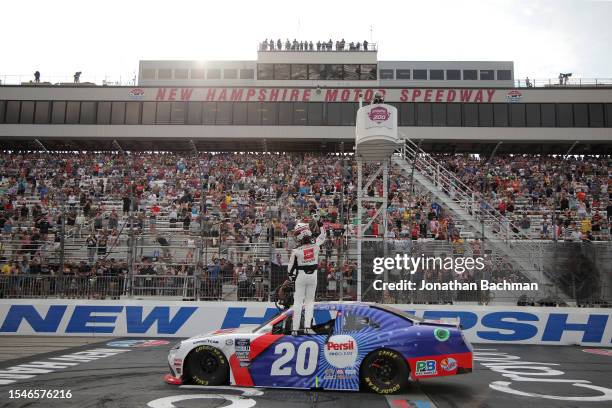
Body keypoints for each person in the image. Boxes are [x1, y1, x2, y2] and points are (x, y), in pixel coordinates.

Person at [287, 220, 326, 335]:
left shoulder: (296, 251)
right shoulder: (316, 246)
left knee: (298, 302)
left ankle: (294, 329)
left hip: (301, 277)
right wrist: (321, 226)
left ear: (300, 235)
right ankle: (307, 327)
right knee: (310, 302)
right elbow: (323, 236)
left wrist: (292, 279)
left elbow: (290, 269)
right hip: (313, 276)